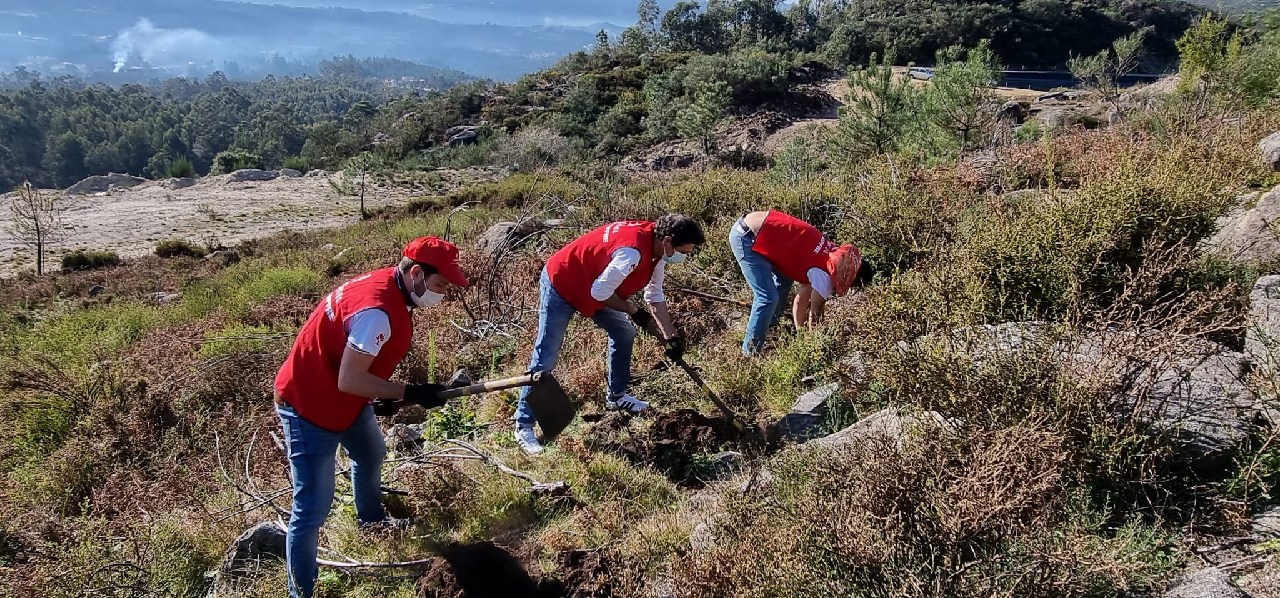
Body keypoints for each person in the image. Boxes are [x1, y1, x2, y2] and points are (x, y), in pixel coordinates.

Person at [273, 236, 469, 598]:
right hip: (308, 406)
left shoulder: (388, 286)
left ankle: (372, 524)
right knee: (313, 507)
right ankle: (301, 592)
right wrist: (410, 392)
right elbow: (349, 379)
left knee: (370, 453)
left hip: (346, 399)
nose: (443, 294)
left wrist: (381, 397)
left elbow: (353, 372)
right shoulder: (376, 311)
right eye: (441, 284)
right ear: (415, 273)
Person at [514, 214, 706, 455]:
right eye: (684, 251)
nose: (684, 256)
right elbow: (600, 292)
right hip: (563, 284)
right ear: (667, 241)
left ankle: (617, 396)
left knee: (624, 332)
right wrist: (634, 311)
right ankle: (523, 425)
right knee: (547, 355)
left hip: (596, 285)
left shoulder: (658, 249)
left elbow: (654, 294)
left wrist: (671, 336)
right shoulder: (633, 252)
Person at [730, 210, 872, 356]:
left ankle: (771, 325)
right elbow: (815, 312)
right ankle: (749, 354)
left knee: (784, 279)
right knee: (767, 298)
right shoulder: (826, 275)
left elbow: (801, 299)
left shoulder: (832, 255)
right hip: (747, 237)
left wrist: (800, 332)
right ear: (852, 277)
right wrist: (813, 344)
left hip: (757, 227)